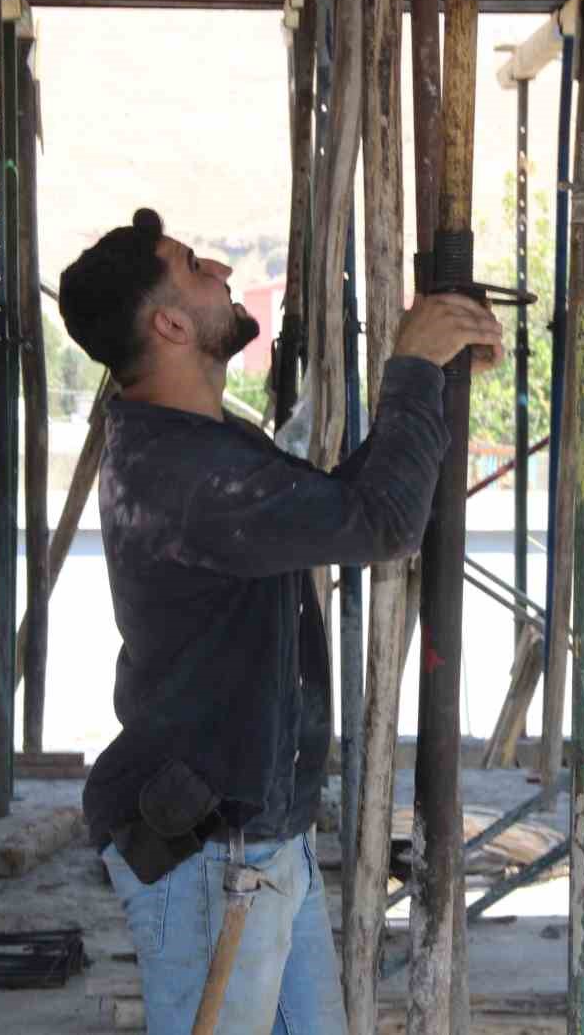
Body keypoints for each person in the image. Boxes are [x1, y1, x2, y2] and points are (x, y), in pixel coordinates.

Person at [58, 208, 503, 1034]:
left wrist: (433, 371)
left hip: (259, 834)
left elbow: (344, 509)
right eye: (194, 267)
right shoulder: (189, 477)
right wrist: (410, 368)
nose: (221, 271)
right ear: (170, 323)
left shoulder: (204, 446)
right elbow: (383, 526)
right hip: (211, 851)